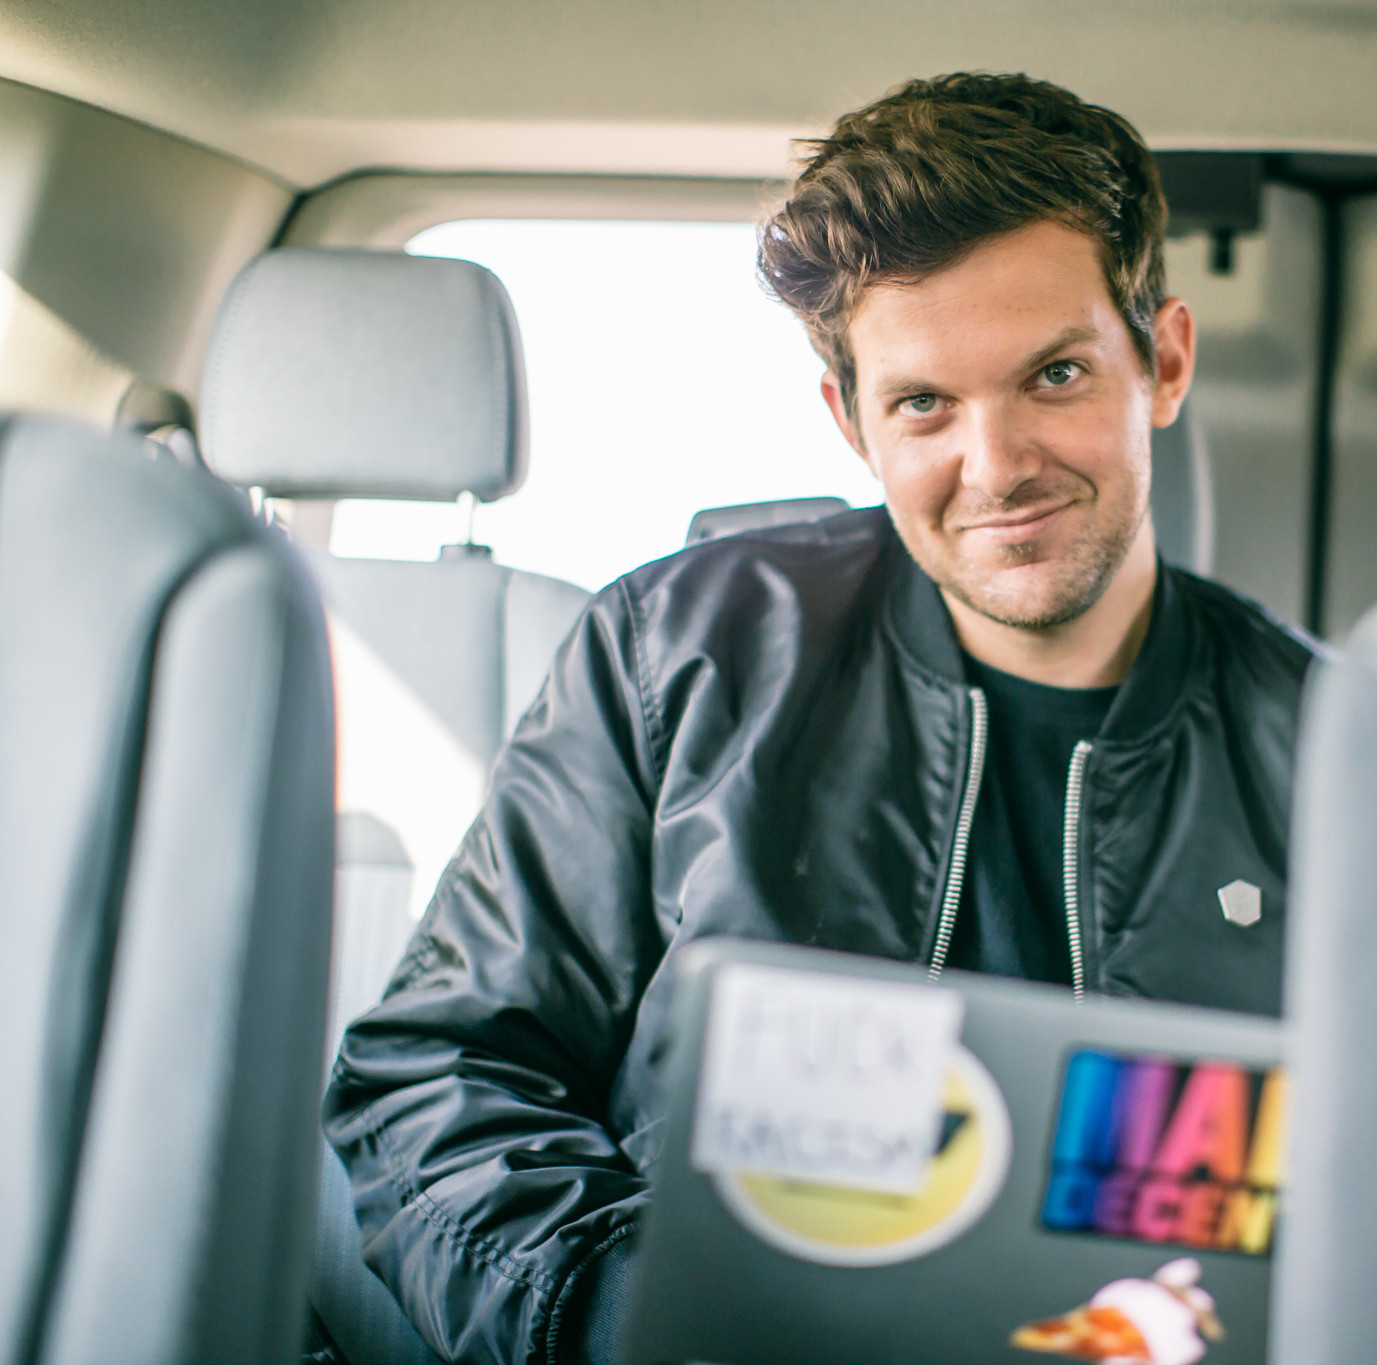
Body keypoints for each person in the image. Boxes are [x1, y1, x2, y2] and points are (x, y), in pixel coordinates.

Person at [323, 72, 1320, 1365]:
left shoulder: (1341, 751)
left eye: (1057, 374)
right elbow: (431, 1077)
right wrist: (622, 1317)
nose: (997, 465)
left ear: (1163, 363)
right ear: (852, 422)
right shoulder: (679, 653)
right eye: (925, 404)